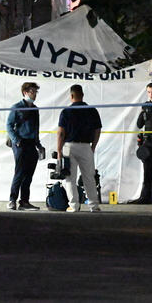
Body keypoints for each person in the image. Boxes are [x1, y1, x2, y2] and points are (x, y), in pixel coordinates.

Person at [56, 84, 102, 212]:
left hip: (69, 147)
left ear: (71, 96)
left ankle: (74, 205)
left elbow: (61, 133)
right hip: (86, 146)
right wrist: (93, 145)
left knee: (70, 177)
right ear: (82, 95)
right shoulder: (92, 111)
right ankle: (94, 205)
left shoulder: (66, 111)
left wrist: (59, 151)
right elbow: (97, 130)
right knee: (89, 177)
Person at [6, 82, 44, 211]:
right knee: (20, 172)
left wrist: (38, 145)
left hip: (31, 143)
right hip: (21, 142)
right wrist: (17, 141)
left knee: (29, 174)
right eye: (32, 91)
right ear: (25, 92)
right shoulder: (16, 107)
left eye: (35, 92)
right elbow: (9, 126)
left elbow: (36, 129)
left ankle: (24, 201)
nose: (34, 94)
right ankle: (12, 200)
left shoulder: (35, 109)